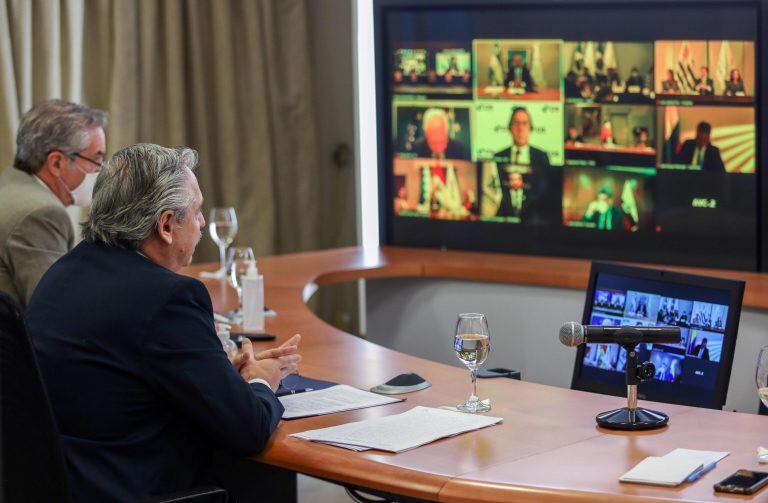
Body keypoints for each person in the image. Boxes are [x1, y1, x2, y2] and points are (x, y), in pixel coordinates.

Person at [26, 144, 301, 501]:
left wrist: (217, 375)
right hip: (138, 487)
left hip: (68, 482)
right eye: (197, 211)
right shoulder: (169, 297)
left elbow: (118, 381)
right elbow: (247, 429)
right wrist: (262, 382)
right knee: (259, 467)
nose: (202, 223)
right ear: (167, 225)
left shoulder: (62, 273)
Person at [0, 99, 106, 308]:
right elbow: (57, 312)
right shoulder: (40, 213)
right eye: (97, 160)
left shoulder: (11, 181)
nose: (101, 170)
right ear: (57, 163)